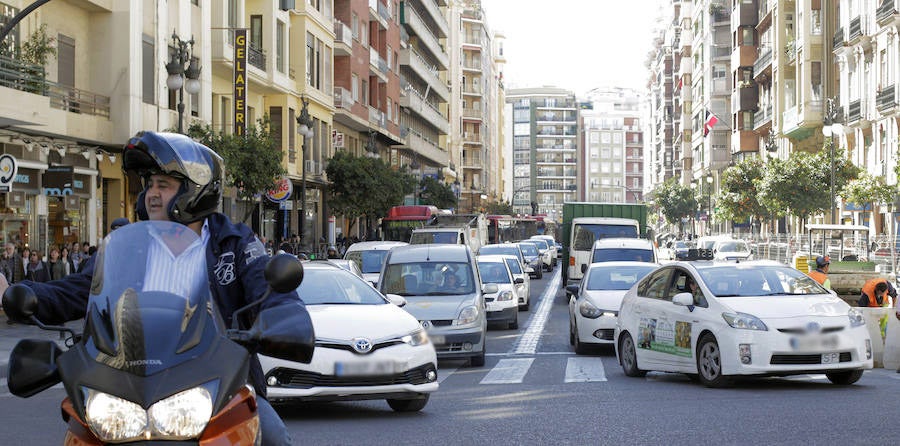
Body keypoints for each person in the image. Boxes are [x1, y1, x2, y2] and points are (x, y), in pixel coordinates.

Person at [0, 131, 306, 445]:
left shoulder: (235, 243)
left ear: (195, 190)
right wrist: (27, 294)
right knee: (80, 434)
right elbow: (82, 289)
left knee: (272, 436)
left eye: (164, 185)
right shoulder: (131, 247)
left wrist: (284, 318)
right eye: (150, 184)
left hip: (218, 384)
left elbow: (267, 288)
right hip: (128, 386)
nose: (152, 194)